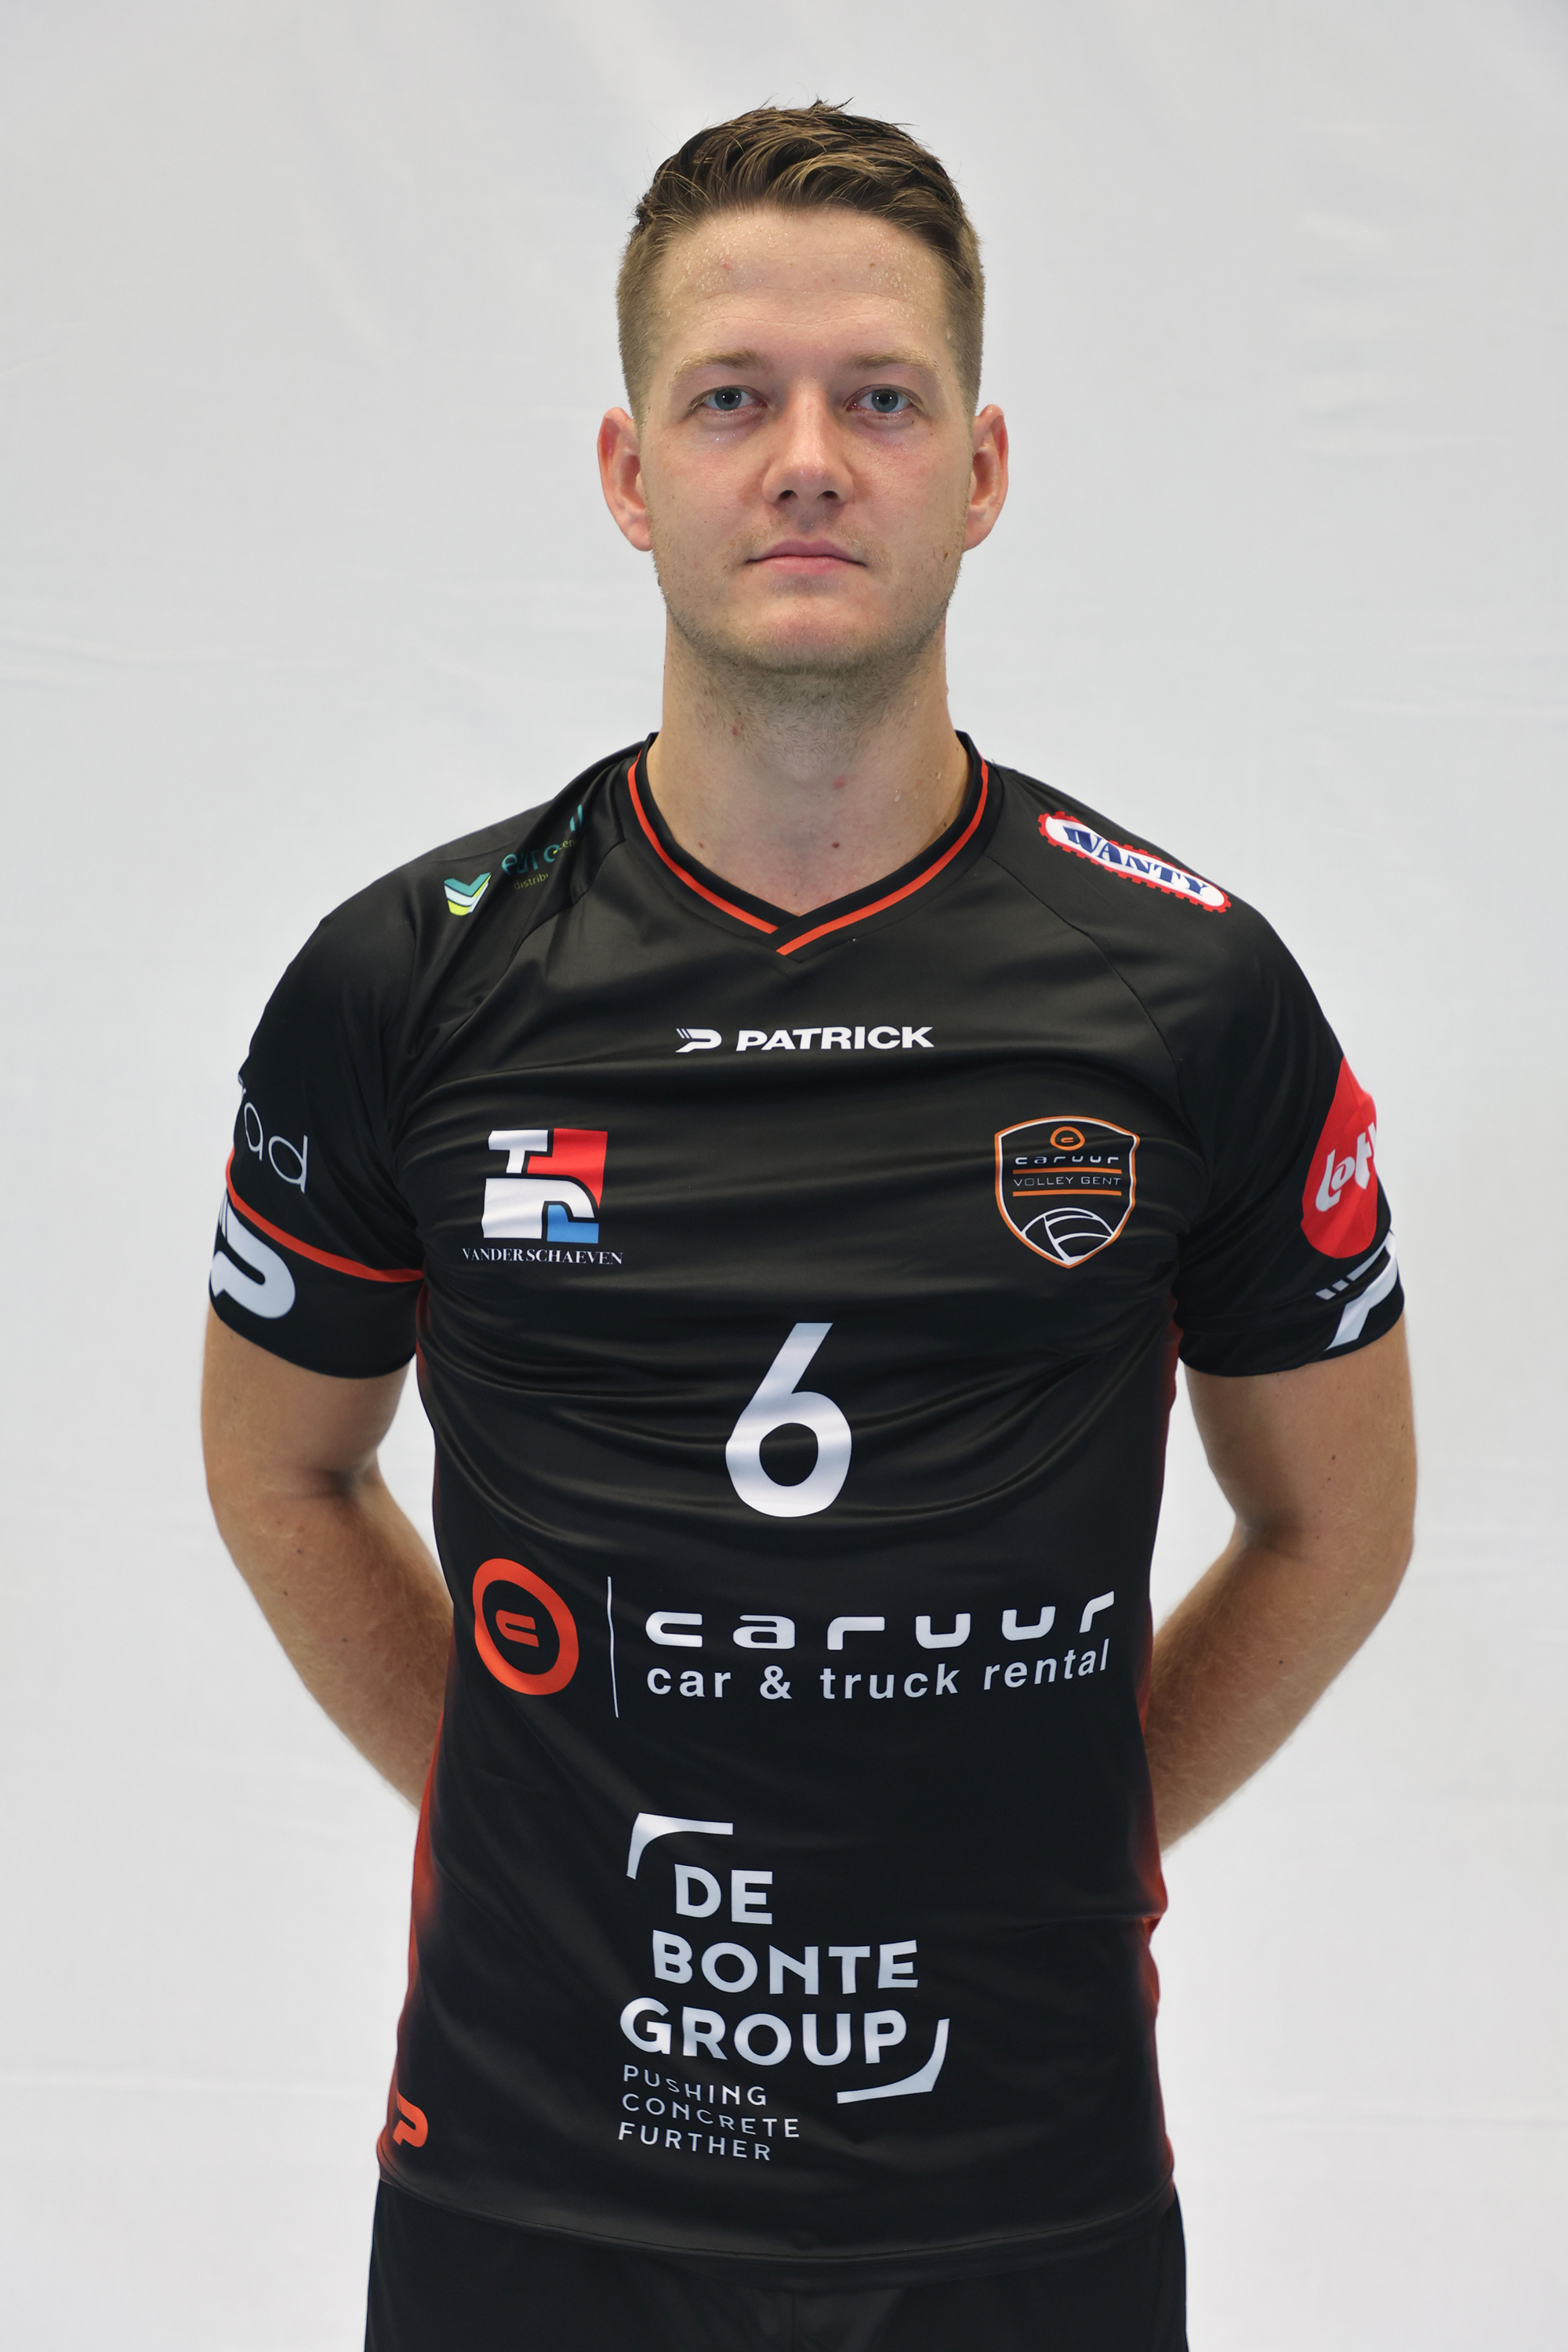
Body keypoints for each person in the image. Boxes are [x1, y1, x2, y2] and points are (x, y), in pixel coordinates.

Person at [201, 101, 1414, 2352]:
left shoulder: (1192, 994)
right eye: (731, 400)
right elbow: (277, 1466)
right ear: (626, 471)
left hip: (1023, 2196)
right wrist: (530, 1797)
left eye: (882, 399)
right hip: (533, 2188)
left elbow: (1340, 1523)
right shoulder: (406, 984)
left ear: (984, 469)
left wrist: (1068, 1830)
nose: (808, 463)